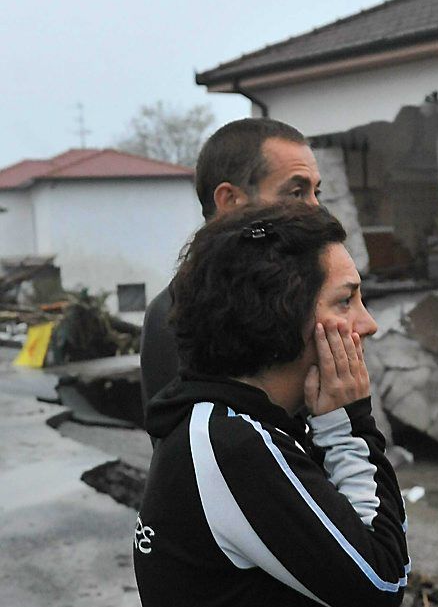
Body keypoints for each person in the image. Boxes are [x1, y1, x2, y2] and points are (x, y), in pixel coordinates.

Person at [133, 202, 408, 606]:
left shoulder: (239, 422)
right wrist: (350, 426)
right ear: (281, 314)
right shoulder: (233, 445)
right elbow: (381, 584)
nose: (368, 324)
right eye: (346, 301)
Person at [140, 117, 323, 414]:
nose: (315, 208)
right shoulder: (176, 316)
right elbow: (187, 450)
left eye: (317, 192)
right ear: (230, 200)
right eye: (296, 193)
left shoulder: (294, 296)